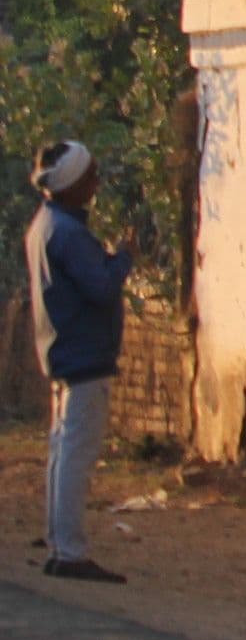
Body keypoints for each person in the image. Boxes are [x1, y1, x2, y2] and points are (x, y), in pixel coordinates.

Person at [25, 140, 131, 583]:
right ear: (71, 185)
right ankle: (69, 551)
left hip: (64, 351)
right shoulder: (68, 233)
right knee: (75, 455)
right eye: (90, 177)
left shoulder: (45, 225)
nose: (95, 184)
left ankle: (59, 544)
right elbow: (100, 287)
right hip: (84, 353)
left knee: (62, 452)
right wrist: (123, 257)